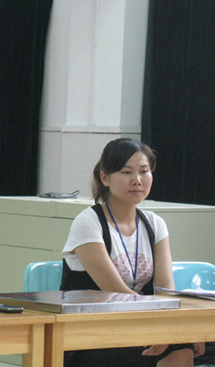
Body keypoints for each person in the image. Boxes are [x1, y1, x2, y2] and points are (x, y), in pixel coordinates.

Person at [60, 138, 204, 367]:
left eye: (144, 172)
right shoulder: (88, 223)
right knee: (178, 345)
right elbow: (117, 293)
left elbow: (166, 291)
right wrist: (162, 328)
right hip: (89, 331)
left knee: (190, 340)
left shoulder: (154, 224)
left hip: (137, 324)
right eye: (126, 172)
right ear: (105, 178)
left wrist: (179, 326)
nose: (137, 180)